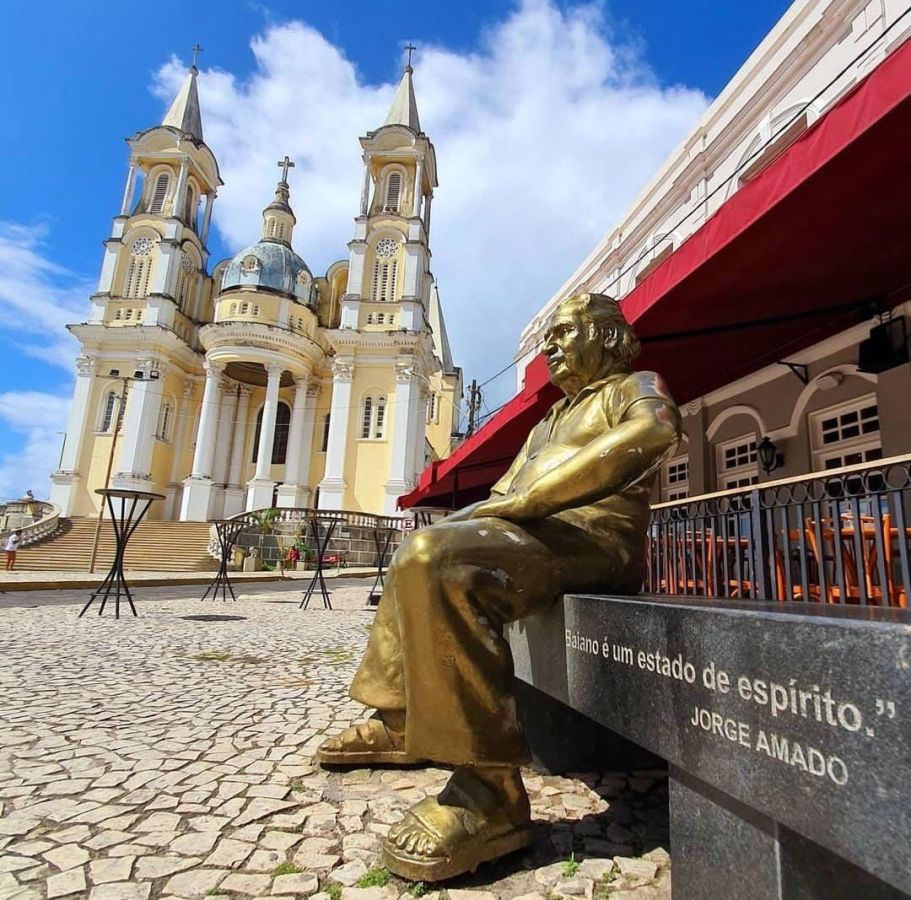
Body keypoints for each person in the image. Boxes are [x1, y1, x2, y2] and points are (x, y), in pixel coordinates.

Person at [317, 292, 682, 882]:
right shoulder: (548, 422)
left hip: (593, 541)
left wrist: (538, 499)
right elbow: (498, 501)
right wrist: (443, 532)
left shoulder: (633, 386)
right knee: (418, 553)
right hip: (532, 538)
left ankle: (490, 793)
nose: (552, 348)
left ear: (609, 335)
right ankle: (402, 720)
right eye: (549, 340)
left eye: (565, 333)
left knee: (441, 561)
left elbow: (656, 432)